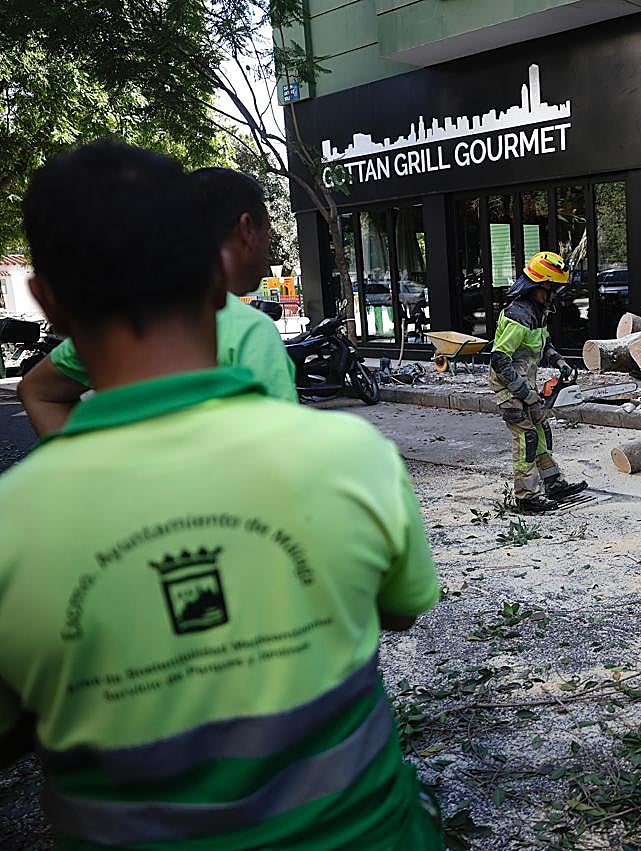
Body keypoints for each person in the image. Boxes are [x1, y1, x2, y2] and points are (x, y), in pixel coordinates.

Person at [0, 140, 443, 848]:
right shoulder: (354, 460)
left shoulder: (12, 528)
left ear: (47, 301)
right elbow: (397, 613)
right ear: (217, 277)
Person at [17, 166, 296, 436]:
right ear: (247, 229)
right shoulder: (251, 331)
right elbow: (287, 457)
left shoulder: (116, 325)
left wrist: (86, 470)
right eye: (267, 233)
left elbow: (39, 392)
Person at [489, 251, 587, 513]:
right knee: (526, 437)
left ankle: (553, 482)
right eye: (553, 288)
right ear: (540, 285)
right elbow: (499, 359)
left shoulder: (538, 311)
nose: (555, 294)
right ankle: (526, 496)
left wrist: (559, 361)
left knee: (542, 429)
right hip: (508, 384)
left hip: (526, 381)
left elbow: (543, 344)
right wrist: (521, 391)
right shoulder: (517, 314)